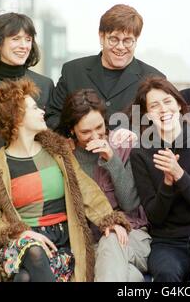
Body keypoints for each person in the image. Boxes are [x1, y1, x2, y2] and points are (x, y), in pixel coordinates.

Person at [0, 78, 130, 282]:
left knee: (24, 279)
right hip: (21, 243)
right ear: (17, 117)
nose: (42, 112)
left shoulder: (58, 151)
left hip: (61, 241)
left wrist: (109, 220)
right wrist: (21, 234)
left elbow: (85, 190)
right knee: (34, 251)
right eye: (35, 108)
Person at [0, 12, 54, 253]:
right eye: (15, 38)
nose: (24, 45)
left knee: (34, 260)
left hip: (33, 187)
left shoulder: (45, 86)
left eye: (28, 39)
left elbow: (50, 139)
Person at [130, 76, 190, 282]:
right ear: (146, 115)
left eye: (167, 101)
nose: (163, 110)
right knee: (166, 274)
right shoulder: (141, 153)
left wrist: (179, 173)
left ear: (179, 104)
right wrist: (167, 183)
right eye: (154, 105)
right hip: (167, 240)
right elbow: (155, 216)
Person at [56, 89, 151, 282]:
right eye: (85, 132)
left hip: (133, 237)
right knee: (131, 277)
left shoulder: (123, 145)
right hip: (91, 243)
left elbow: (130, 204)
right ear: (72, 129)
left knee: (113, 237)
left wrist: (111, 159)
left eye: (99, 127)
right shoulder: (66, 156)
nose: (94, 136)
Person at [46, 4, 164, 131]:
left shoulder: (154, 78)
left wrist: (132, 140)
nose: (120, 46)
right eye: (113, 39)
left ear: (136, 40)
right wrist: (76, 135)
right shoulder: (73, 71)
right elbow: (52, 117)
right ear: (101, 37)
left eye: (127, 40)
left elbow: (162, 127)